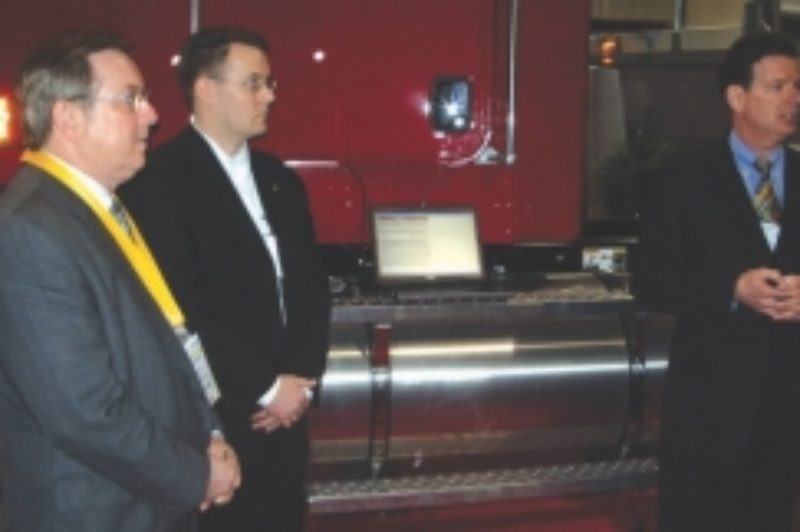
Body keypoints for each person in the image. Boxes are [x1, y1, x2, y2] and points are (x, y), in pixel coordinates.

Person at [0, 31, 242, 532]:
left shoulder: (93, 210)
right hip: (93, 512)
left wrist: (207, 436)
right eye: (130, 99)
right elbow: (83, 412)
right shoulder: (27, 230)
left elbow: (165, 346)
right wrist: (195, 474)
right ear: (68, 117)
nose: (152, 115)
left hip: (137, 500)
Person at [120, 27, 331, 531]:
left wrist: (300, 384)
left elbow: (310, 287)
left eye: (269, 83)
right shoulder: (158, 183)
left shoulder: (280, 178)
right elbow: (183, 309)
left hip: (288, 415)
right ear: (207, 89)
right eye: (254, 83)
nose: (270, 95)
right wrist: (262, 388)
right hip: (216, 419)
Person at [633, 32, 800, 532]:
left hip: (788, 413)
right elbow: (650, 278)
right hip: (709, 412)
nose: (794, 98)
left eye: (798, 86)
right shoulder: (683, 181)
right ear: (736, 96)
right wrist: (732, 289)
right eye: (778, 86)